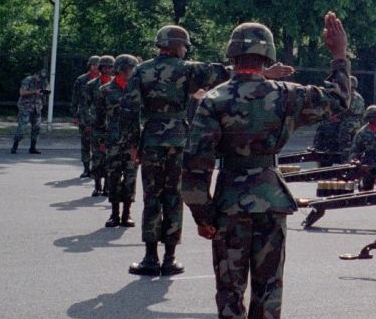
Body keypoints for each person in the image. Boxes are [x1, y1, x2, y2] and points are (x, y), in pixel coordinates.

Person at [182, 14, 352, 319]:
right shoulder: (287, 94)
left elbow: (194, 166)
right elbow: (340, 100)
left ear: (232, 53)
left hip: (228, 205)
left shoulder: (215, 99)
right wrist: (339, 55)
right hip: (271, 201)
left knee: (230, 290)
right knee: (268, 288)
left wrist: (202, 215)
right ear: (267, 55)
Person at [126, 25, 294, 277]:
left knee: (152, 198)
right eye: (183, 45)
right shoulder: (190, 69)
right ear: (176, 45)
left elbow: (129, 111)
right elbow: (231, 73)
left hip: (151, 139)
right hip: (180, 139)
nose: (185, 50)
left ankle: (150, 257)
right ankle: (170, 257)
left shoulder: (141, 70)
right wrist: (266, 72)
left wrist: (132, 145)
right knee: (174, 196)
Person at [96, 54, 142, 229]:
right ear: (122, 69)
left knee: (130, 178)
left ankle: (127, 214)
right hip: (113, 141)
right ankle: (114, 214)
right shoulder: (105, 90)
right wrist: (100, 139)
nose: (133, 72)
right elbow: (98, 118)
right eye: (131, 68)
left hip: (133, 141)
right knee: (113, 177)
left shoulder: (137, 90)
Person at [84, 55, 114, 195]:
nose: (107, 69)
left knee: (110, 157)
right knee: (96, 156)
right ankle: (97, 185)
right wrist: (87, 123)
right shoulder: (91, 85)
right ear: (100, 68)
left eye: (110, 67)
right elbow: (85, 106)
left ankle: (108, 186)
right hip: (97, 124)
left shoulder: (116, 85)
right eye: (105, 67)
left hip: (112, 126)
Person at [70, 56, 101, 177]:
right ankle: (86, 169)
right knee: (85, 144)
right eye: (92, 64)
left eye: (97, 65)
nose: (94, 67)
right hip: (84, 116)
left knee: (97, 145)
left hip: (99, 117)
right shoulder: (81, 80)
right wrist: (75, 115)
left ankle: (95, 169)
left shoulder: (105, 80)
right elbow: (75, 98)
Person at [350, 105, 376, 191]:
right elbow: (355, 149)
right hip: (368, 162)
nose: (375, 119)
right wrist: (355, 161)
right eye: (372, 117)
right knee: (367, 188)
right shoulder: (362, 132)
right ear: (368, 117)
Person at [12, 64, 48, 154]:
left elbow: (47, 90)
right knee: (22, 127)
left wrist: (43, 93)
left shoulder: (44, 80)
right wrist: (34, 91)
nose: (40, 79)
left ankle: (32, 148)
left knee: (36, 128)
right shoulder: (28, 80)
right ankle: (14, 147)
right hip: (25, 106)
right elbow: (22, 92)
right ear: (36, 74)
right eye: (39, 77)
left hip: (37, 107)